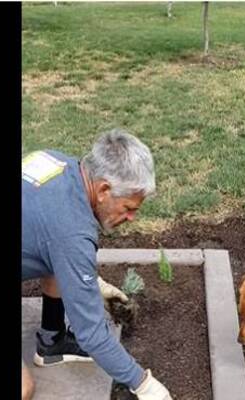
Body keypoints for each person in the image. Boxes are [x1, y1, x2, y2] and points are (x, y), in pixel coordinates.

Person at [21, 129, 172, 400]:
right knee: (23, 389)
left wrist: (93, 283)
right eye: (128, 208)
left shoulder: (59, 163)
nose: (131, 218)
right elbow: (91, 334)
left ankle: (51, 342)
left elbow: (49, 237)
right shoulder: (71, 232)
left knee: (57, 257)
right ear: (103, 190)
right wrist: (145, 385)